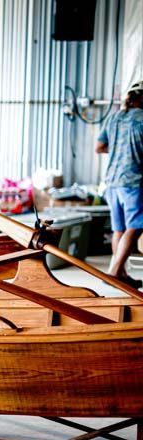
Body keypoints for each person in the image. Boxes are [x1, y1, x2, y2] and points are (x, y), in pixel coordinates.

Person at [96, 81, 143, 288]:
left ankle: (120, 274)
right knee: (136, 227)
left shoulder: (114, 118)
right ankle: (114, 271)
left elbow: (99, 146)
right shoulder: (142, 118)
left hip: (112, 182)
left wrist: (119, 149)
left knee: (119, 229)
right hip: (133, 180)